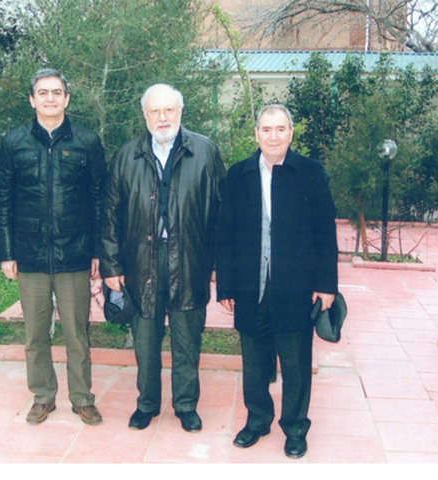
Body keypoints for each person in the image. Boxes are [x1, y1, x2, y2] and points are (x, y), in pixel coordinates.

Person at [99, 84, 225, 432]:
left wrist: (217, 263)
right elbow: (109, 215)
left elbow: (222, 213)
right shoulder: (127, 156)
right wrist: (111, 266)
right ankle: (147, 404)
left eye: (169, 109)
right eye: (155, 111)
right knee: (145, 340)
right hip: (140, 261)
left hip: (190, 260)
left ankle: (185, 405)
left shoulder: (205, 152)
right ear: (145, 115)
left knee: (187, 340)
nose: (162, 117)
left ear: (180, 112)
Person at [216, 104, 339, 459]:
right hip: (249, 285)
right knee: (254, 361)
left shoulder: (311, 172)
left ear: (291, 133)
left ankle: (295, 428)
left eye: (280, 129)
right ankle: (257, 419)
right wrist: (226, 285)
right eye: (267, 129)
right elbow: (226, 232)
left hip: (295, 287)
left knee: (296, 361)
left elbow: (325, 232)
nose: (273, 136)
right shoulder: (238, 174)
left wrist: (326, 284)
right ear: (256, 133)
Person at [0, 69, 106, 426]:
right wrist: (6, 253)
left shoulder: (87, 141)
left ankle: (82, 398)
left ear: (67, 98)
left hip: (74, 253)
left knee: (77, 333)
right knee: (35, 334)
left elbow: (99, 201)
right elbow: (2, 201)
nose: (50, 98)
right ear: (32, 100)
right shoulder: (14, 142)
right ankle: (43, 396)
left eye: (57, 92)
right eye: (43, 93)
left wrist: (97, 251)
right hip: (30, 255)